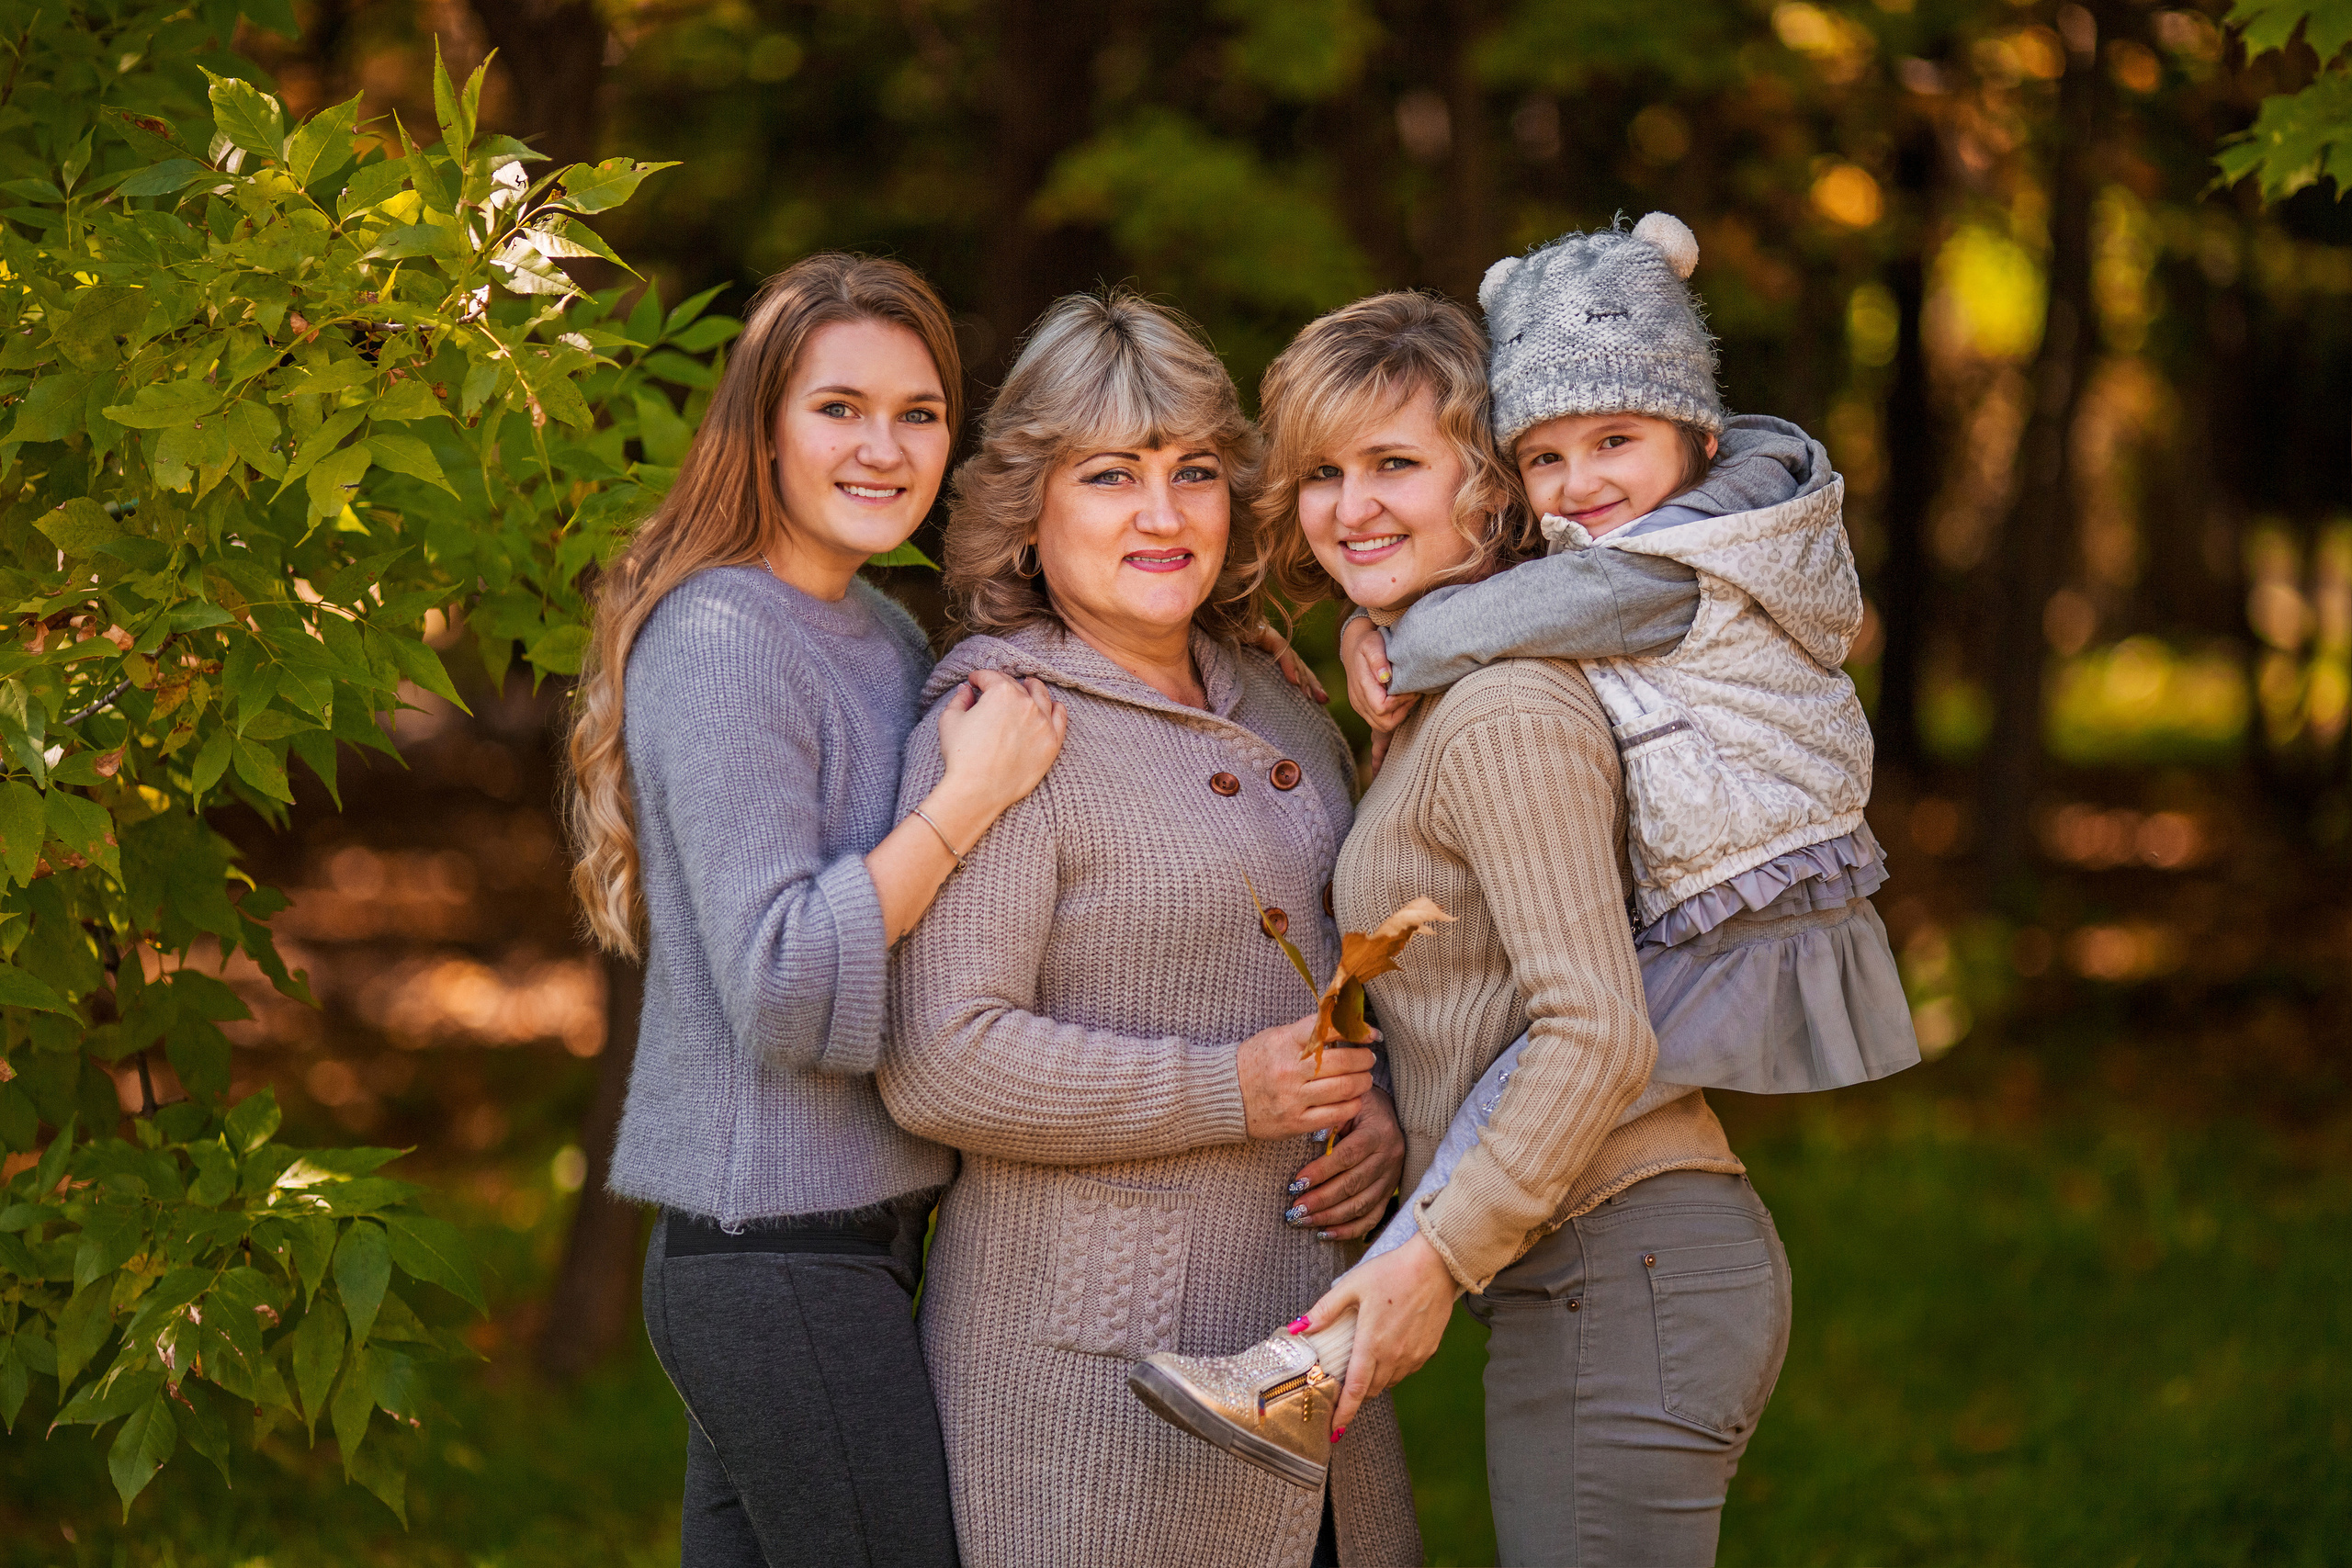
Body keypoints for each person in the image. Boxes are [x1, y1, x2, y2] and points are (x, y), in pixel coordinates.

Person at [1135, 289, 1792, 1566]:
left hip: (1629, 1255)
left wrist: (1428, 1259)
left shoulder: (1505, 711)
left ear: (1486, 483)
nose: (1351, 505)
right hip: (1585, 1263)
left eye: (1395, 464)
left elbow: (1593, 1029)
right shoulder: (1437, 688)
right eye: (1322, 471)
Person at [876, 289, 1422, 1568]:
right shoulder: (1003, 726)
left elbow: (1360, 962)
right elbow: (938, 1054)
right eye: (1112, 476)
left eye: (1192, 472)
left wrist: (1380, 1099)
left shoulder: (1284, 704)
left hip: (1316, 1354)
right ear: (1030, 508)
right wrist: (1229, 1086)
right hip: (1101, 1383)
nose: (1165, 514)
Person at [566, 253, 1068, 1568]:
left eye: (919, 412)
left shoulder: (881, 636)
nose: (883, 446)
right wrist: (968, 798)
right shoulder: (725, 637)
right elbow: (784, 979)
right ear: (765, 428)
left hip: (860, 1238)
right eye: (839, 407)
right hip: (773, 1250)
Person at [1334, 214, 1918, 1256]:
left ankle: (1352, 1330)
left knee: (1510, 1100)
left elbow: (1506, 611)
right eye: (1544, 456)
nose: (1580, 483)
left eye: (1615, 441)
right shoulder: (1655, 534)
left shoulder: (1670, 564)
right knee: (1518, 1096)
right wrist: (1364, 624)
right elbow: (1521, 583)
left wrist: (1389, 635)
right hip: (1733, 889)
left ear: (1694, 436)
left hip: (1752, 898)